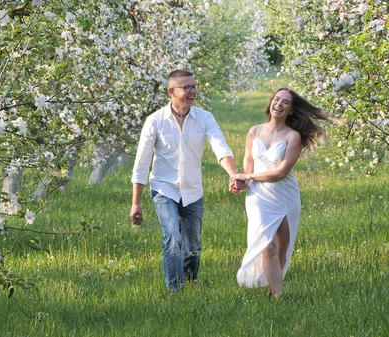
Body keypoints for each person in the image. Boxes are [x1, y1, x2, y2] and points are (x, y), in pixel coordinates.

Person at [129, 69, 239, 291]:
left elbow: (220, 147)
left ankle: (190, 280)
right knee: (172, 236)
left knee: (192, 246)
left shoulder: (205, 118)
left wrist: (233, 174)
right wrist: (136, 202)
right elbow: (141, 163)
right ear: (171, 91)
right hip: (163, 189)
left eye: (193, 86)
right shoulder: (155, 121)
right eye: (186, 87)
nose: (192, 91)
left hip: (192, 190)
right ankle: (175, 289)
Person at [230, 88, 335, 298]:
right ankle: (279, 296)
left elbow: (281, 172)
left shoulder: (292, 136)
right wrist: (243, 180)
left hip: (284, 195)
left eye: (285, 102)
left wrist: (247, 178)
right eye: (277, 99)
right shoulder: (254, 131)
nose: (279, 104)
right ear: (270, 102)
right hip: (258, 196)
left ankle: (272, 285)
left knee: (283, 246)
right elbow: (248, 161)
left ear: (291, 110)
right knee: (268, 245)